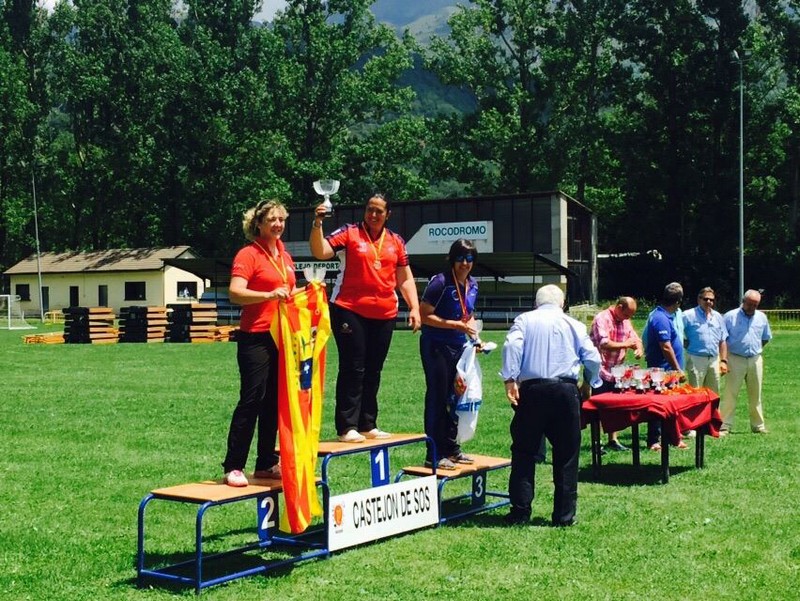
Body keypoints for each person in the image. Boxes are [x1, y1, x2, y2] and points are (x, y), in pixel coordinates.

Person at [310, 193, 421, 442]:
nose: (373, 215)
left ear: (387, 215)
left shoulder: (396, 241)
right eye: (370, 209)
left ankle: (367, 423)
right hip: (349, 308)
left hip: (384, 312)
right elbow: (320, 252)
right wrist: (317, 224)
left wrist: (414, 307)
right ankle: (346, 426)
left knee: (374, 369)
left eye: (379, 211)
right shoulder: (349, 233)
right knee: (353, 367)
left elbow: (405, 278)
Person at [500, 284, 601, 527]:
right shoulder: (574, 325)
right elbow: (593, 357)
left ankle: (520, 511)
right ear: (562, 303)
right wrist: (589, 381)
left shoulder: (524, 320)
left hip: (532, 390)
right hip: (565, 390)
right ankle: (564, 516)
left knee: (524, 451)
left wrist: (510, 379)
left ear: (536, 303)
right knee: (567, 454)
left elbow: (511, 346)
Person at [222, 200, 296, 487]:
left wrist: (310, 290)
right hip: (255, 336)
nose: (277, 224)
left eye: (281, 219)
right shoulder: (248, 254)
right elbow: (235, 292)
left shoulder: (285, 255)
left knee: (274, 403)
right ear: (259, 224)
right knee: (251, 399)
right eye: (272, 220)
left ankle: (266, 461)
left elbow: (286, 293)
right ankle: (233, 466)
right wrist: (268, 296)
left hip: (282, 336)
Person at [419, 239, 480, 470]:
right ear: (452, 259)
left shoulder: (473, 285)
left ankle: (452, 449)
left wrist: (476, 339)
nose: (465, 263)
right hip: (436, 345)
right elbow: (425, 315)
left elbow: (469, 315)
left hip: (459, 347)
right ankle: (433, 454)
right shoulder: (440, 283)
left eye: (469, 259)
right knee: (437, 398)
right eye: (460, 258)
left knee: (456, 398)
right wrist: (456, 326)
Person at [589, 296, 644, 451]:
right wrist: (626, 344)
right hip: (599, 369)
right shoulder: (602, 318)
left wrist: (639, 348)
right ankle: (596, 442)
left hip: (617, 371)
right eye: (627, 314)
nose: (629, 318)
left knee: (615, 407)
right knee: (599, 408)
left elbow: (635, 338)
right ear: (619, 307)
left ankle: (613, 440)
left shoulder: (625, 320)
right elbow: (604, 343)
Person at [720, 289, 772, 435]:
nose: (752, 308)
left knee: (756, 394)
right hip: (735, 358)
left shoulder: (762, 317)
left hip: (755, 359)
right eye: (749, 304)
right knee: (731, 393)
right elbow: (722, 339)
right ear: (743, 302)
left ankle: (758, 425)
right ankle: (725, 425)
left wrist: (755, 349)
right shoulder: (730, 316)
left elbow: (765, 337)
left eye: (755, 305)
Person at [643, 282, 685, 451]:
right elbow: (665, 346)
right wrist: (677, 369)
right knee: (657, 405)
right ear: (678, 301)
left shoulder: (665, 316)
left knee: (671, 405)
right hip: (662, 371)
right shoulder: (660, 318)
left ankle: (673, 437)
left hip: (668, 371)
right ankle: (654, 439)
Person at [682, 287, 729, 393]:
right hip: (695, 359)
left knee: (713, 395)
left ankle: (712, 411)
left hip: (714, 360)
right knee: (695, 394)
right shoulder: (687, 315)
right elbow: (676, 333)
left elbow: (723, 340)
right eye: (706, 299)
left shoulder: (718, 316)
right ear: (699, 299)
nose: (709, 302)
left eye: (711, 300)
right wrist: (684, 343)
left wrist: (723, 361)